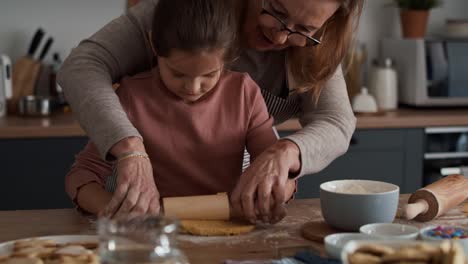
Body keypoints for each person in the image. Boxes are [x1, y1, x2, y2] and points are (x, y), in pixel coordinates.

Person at [58, 0, 363, 223]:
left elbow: (335, 121)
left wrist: (283, 156)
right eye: (277, 12)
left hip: (224, 206)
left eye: (304, 31)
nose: (282, 37)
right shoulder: (181, 14)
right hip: (139, 213)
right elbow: (83, 66)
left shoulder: (246, 91)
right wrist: (130, 149)